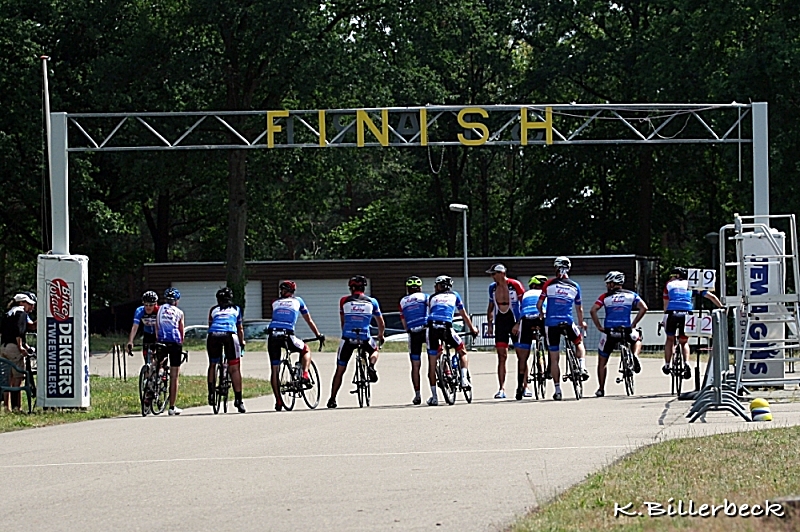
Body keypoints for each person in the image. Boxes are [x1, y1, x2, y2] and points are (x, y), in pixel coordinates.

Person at [327, 276, 384, 409]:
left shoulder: (344, 301)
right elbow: (381, 322)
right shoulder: (372, 302)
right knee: (375, 351)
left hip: (348, 337)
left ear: (351, 288)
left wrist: (345, 333)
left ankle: (332, 399)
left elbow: (343, 321)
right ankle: (371, 365)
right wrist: (380, 335)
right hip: (364, 336)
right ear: (364, 288)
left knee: (340, 370)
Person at [537, 256, 589, 401]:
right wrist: (581, 322)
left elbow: (539, 305)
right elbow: (579, 308)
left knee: (554, 358)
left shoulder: (548, 284)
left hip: (551, 323)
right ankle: (582, 366)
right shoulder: (574, 286)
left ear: (555, 268)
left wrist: (541, 314)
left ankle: (558, 389)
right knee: (578, 343)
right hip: (567, 321)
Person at [589, 271, 648, 397]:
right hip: (626, 330)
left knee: (602, 361)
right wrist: (634, 323)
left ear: (611, 284)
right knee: (637, 338)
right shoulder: (631, 295)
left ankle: (601, 389)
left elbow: (593, 310)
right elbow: (644, 308)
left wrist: (599, 326)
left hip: (609, 332)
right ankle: (634, 355)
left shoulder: (604, 297)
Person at [268, 280, 324, 411]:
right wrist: (318, 334)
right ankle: (305, 374)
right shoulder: (298, 301)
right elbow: (308, 320)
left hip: (272, 335)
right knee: (305, 349)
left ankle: (278, 401)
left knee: (274, 370)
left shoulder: (274, 302)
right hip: (287, 335)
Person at [425, 275, 479, 406]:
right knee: (462, 352)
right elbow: (463, 314)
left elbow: (428, 314)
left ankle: (434, 397)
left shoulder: (432, 297)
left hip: (432, 328)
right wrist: (472, 329)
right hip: (446, 327)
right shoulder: (454, 295)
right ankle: (464, 380)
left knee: (432, 365)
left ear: (438, 286)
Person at [662, 266, 723, 378]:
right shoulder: (692, 285)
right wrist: (722, 307)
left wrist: (664, 319)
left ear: (676, 276)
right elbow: (711, 297)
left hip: (672, 313)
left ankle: (667, 365)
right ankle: (686, 364)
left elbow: (666, 305)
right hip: (687, 313)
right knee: (684, 342)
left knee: (670, 339)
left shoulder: (669, 284)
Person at [485, 263, 526, 399]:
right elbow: (490, 307)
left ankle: (524, 386)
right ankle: (501, 388)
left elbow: (524, 304)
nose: (492, 277)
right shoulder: (492, 288)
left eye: (494, 274)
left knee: (522, 355)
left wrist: (519, 323)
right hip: (501, 320)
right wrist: (490, 324)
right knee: (501, 356)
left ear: (501, 273)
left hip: (514, 318)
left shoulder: (515, 284)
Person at [206, 287, 247, 413]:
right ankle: (238, 400)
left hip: (213, 335)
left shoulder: (213, 310)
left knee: (212, 364)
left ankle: (211, 393)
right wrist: (242, 342)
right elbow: (239, 328)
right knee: (234, 368)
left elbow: (210, 325)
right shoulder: (236, 309)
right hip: (230, 334)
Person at [511, 275, 549, 400]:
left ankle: (519, 387)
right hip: (540, 318)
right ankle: (548, 368)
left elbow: (521, 309)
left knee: (523, 357)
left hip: (526, 320)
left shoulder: (526, 294)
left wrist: (517, 324)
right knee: (550, 342)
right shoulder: (545, 293)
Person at [0, 293, 35, 412]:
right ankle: (17, 407)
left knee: (7, 379)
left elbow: (31, 327)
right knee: (18, 378)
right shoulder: (21, 313)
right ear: (21, 303)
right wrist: (20, 346)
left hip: (3, 347)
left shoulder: (8, 313)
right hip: (14, 348)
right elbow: (19, 330)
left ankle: (6, 407)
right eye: (29, 304)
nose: (31, 307)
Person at [399, 276, 429, 405]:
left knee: (415, 366)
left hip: (413, 332)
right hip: (426, 329)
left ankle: (417, 394)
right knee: (436, 354)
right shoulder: (426, 297)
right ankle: (446, 372)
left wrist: (408, 329)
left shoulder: (403, 301)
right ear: (420, 288)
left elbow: (403, 321)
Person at [155, 287, 185, 415]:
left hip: (161, 341)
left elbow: (157, 326)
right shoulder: (179, 312)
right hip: (174, 343)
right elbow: (181, 330)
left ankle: (155, 377)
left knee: (159, 362)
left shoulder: (160, 309)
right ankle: (172, 407)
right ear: (176, 301)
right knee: (174, 376)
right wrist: (181, 342)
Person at [127, 291, 159, 361]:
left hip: (158, 334)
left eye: (151, 305)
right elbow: (135, 327)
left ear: (155, 304)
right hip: (147, 334)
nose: (148, 307)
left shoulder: (159, 311)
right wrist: (130, 341)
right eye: (146, 305)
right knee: (146, 357)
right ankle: (147, 370)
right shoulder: (139, 311)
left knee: (159, 358)